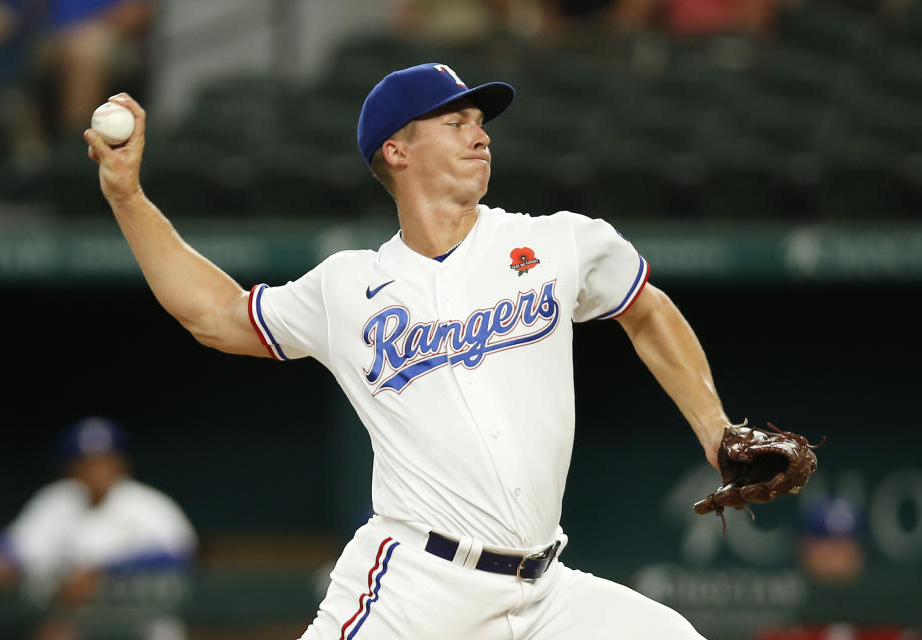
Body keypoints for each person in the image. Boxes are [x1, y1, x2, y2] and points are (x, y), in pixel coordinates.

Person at [83, 63, 737, 638]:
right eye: (455, 122)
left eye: (480, 122)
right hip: (419, 588)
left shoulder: (558, 244)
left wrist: (717, 432)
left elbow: (646, 308)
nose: (480, 135)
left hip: (544, 591)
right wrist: (128, 197)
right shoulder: (348, 287)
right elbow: (214, 315)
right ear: (397, 150)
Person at [0, 417, 196, 620]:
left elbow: (180, 552)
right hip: (73, 625)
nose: (97, 470)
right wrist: (6, 561)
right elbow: (13, 544)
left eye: (104, 460)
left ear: (121, 462)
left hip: (141, 626)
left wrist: (103, 571)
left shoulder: (149, 504)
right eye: (86, 462)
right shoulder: (54, 501)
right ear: (70, 468)